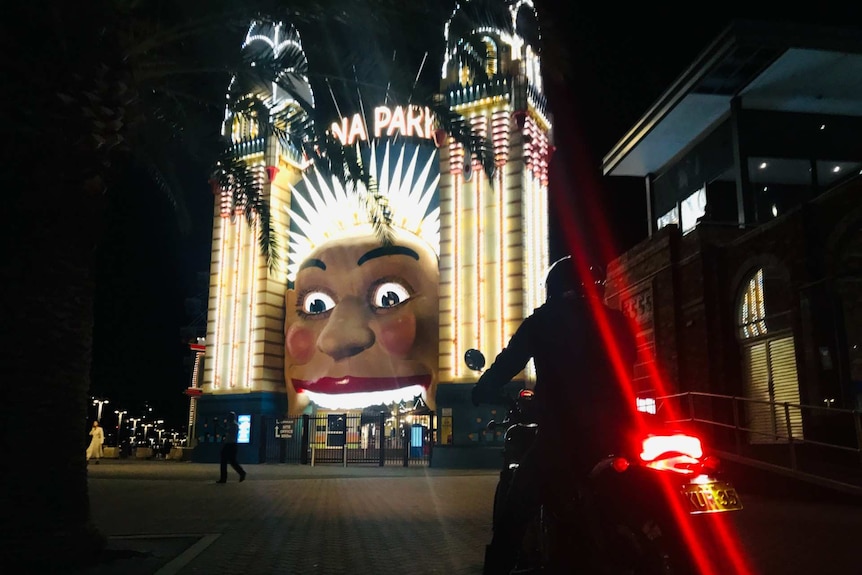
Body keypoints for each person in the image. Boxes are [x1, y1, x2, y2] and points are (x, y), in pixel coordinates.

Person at [470, 255, 639, 574]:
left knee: (514, 513)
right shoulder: (617, 321)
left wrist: (482, 389)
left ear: (554, 287)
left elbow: (508, 363)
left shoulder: (543, 320)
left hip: (565, 434)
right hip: (622, 432)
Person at [216, 412, 246, 483]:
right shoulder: (233, 424)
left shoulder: (234, 425)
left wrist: (219, 426)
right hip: (231, 445)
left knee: (226, 461)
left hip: (230, 445)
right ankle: (241, 473)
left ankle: (224, 478)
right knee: (232, 461)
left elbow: (228, 431)